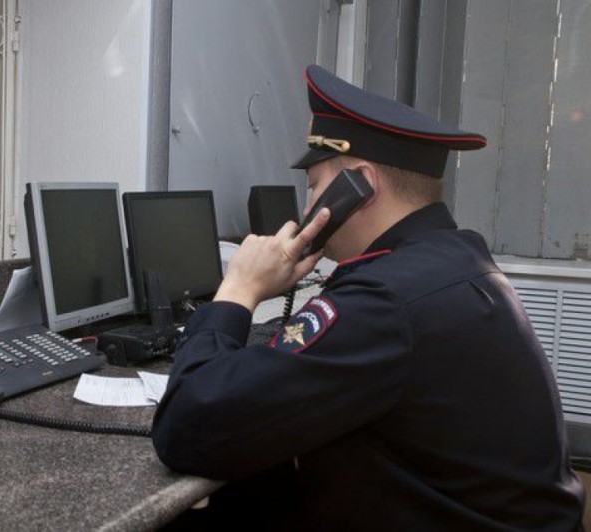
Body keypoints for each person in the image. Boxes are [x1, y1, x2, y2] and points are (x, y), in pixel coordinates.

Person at [151, 65, 586, 530]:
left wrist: (238, 289)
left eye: (315, 187)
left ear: (358, 188)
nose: (306, 209)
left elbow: (186, 429)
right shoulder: (453, 260)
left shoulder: (385, 301)